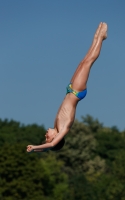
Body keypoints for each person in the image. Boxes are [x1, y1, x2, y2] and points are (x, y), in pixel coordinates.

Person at [27, 22, 107, 153]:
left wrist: (36, 150)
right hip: (77, 91)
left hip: (70, 89)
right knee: (88, 61)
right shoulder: (64, 128)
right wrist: (35, 147)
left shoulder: (56, 126)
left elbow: (48, 148)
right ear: (55, 138)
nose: (45, 135)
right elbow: (52, 145)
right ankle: (101, 38)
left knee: (84, 61)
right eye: (47, 138)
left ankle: (98, 37)